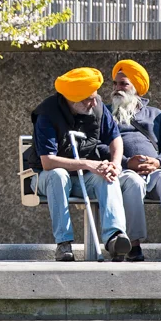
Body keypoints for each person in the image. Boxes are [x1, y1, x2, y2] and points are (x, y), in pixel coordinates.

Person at [30, 66, 130, 263]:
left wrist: (115, 165)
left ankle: (115, 238)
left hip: (84, 176)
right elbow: (48, 162)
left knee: (108, 176)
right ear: (72, 99)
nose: (94, 102)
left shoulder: (97, 107)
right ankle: (64, 243)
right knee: (58, 175)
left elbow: (115, 139)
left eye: (95, 96)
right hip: (46, 178)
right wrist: (87, 164)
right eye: (88, 99)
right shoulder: (47, 114)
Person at [106, 59, 161, 261]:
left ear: (136, 88)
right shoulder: (106, 114)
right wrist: (127, 162)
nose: (117, 89)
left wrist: (158, 163)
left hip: (155, 172)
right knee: (133, 182)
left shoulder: (155, 114)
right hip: (124, 172)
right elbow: (99, 146)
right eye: (115, 84)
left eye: (123, 84)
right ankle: (134, 246)